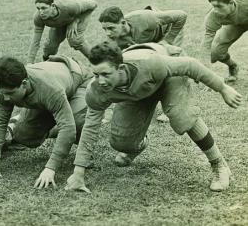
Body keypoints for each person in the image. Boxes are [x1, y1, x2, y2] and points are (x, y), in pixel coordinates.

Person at [65, 42, 242, 193]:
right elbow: (90, 127)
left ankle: (219, 165)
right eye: (96, 74)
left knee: (181, 116)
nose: (100, 80)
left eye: (105, 74)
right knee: (121, 143)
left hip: (166, 79)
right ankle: (138, 143)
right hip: (138, 92)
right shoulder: (96, 90)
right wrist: (78, 173)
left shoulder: (150, 63)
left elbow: (190, 65)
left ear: (120, 68)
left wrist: (223, 88)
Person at [0, 55, 92, 189]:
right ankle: (53, 125)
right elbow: (0, 119)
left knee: (74, 122)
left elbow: (68, 129)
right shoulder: (4, 89)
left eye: (11, 93)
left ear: (24, 83)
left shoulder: (50, 89)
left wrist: (50, 168)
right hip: (53, 90)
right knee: (23, 135)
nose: (6, 98)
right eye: (3, 93)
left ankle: (83, 151)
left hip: (78, 80)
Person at [27, 0, 97, 64]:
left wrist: (75, 21)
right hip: (65, 16)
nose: (41, 12)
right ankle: (48, 65)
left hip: (79, 5)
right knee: (50, 48)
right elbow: (35, 42)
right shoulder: (38, 17)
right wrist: (29, 63)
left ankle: (99, 62)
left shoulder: (70, 6)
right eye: (38, 8)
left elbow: (94, 4)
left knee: (75, 39)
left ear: (53, 6)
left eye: (44, 8)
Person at [203, 0, 248, 83]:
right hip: (236, 25)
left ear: (231, 3)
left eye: (219, 6)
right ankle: (233, 66)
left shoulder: (245, 2)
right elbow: (206, 45)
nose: (215, 10)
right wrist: (205, 73)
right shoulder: (213, 16)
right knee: (214, 52)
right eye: (213, 6)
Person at [99, 6, 187, 50]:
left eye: (111, 28)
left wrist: (168, 40)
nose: (107, 33)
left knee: (172, 57)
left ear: (123, 23)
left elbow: (181, 15)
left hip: (168, 29)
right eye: (104, 29)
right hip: (151, 40)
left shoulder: (144, 18)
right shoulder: (112, 41)